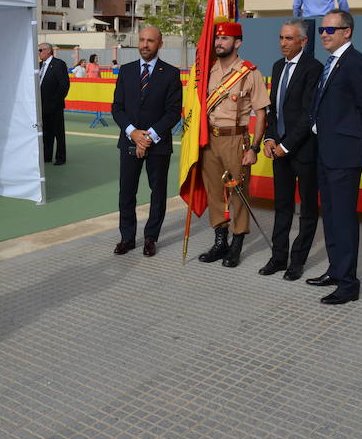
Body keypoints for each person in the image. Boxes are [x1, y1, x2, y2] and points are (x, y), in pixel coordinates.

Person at [306, 9, 362, 305]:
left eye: (330, 30)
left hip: (345, 155)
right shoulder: (334, 62)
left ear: (347, 32)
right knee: (333, 216)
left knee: (345, 219)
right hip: (326, 152)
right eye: (322, 29)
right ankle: (336, 270)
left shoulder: (355, 63)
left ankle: (349, 283)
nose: (324, 34)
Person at [195, 21, 270, 268]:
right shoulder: (207, 71)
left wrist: (254, 148)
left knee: (238, 193)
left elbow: (261, 114)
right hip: (210, 139)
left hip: (236, 140)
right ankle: (220, 241)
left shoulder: (250, 73)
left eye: (225, 39)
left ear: (237, 43)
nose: (219, 43)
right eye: (217, 39)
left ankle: (237, 244)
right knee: (214, 191)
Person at [111, 26, 182, 257]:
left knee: (157, 192)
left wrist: (149, 136)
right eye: (141, 40)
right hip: (129, 141)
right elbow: (117, 108)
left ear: (160, 43)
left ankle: (151, 237)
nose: (144, 44)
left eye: (150, 41)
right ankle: (127, 237)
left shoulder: (171, 74)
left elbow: (173, 113)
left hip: (158, 145)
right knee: (126, 192)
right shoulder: (127, 71)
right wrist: (133, 133)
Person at [260, 20, 322, 281]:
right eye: (281, 37)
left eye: (289, 38)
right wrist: (270, 139)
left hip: (304, 151)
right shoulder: (277, 66)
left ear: (303, 42)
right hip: (279, 151)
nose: (283, 43)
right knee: (282, 206)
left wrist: (287, 145)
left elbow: (309, 114)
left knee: (307, 209)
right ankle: (278, 257)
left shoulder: (314, 69)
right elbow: (274, 109)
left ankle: (297, 262)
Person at [38, 42, 70, 165]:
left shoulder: (58, 64)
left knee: (58, 133)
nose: (39, 53)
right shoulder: (40, 65)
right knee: (46, 132)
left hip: (54, 105)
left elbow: (64, 85)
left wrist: (56, 101)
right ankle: (47, 156)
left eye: (40, 50)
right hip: (42, 106)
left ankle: (60, 157)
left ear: (48, 51)